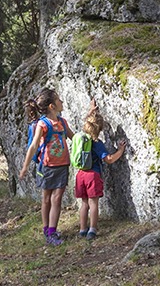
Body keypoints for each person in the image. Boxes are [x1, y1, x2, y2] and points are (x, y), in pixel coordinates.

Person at [19, 88, 74, 246]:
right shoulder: (42, 124)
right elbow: (34, 146)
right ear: (52, 106)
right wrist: (25, 167)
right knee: (46, 199)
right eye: (58, 100)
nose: (61, 102)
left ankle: (52, 231)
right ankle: (47, 229)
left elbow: (74, 137)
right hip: (47, 167)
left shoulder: (63, 122)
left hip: (62, 166)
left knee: (56, 199)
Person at [74, 100, 126, 240]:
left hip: (80, 175)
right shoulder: (97, 143)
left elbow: (88, 121)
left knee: (84, 204)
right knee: (93, 203)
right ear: (100, 129)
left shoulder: (81, 137)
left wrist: (91, 110)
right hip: (93, 175)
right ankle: (92, 229)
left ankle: (82, 229)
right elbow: (108, 159)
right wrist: (120, 150)